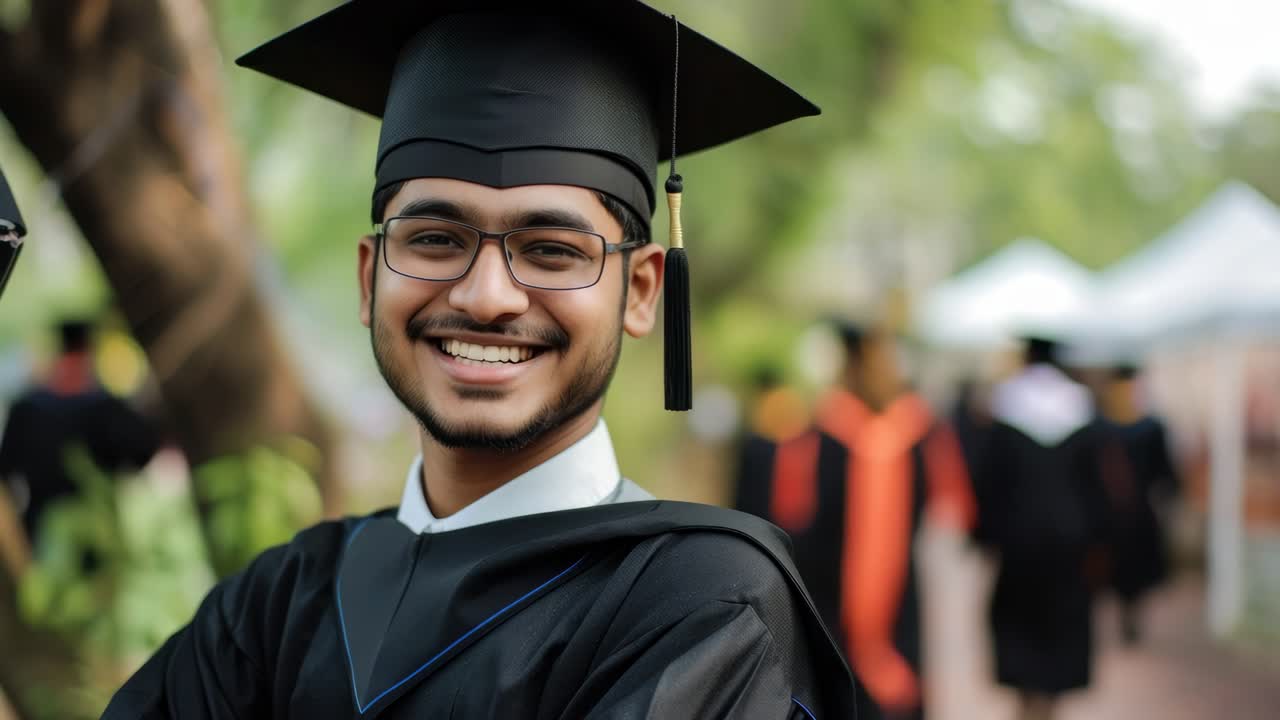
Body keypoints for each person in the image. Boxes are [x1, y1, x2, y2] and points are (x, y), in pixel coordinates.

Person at [104, 2, 855, 718]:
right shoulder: (276, 606)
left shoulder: (704, 606)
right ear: (371, 277)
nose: (487, 295)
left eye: (553, 251)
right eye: (435, 239)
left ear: (641, 291)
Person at [764, 322, 975, 720]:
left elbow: (795, 513)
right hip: (866, 593)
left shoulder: (855, 430)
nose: (891, 369)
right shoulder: (897, 431)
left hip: (865, 594)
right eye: (885, 359)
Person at [974, 337, 1110, 720]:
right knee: (1060, 624)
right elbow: (1096, 484)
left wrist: (985, 536)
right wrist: (1098, 537)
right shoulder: (1081, 409)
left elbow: (990, 483)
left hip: (1019, 540)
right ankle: (1050, 701)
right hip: (1071, 539)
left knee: (1020, 623)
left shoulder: (1007, 410)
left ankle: (1025, 699)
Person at [0, 319, 161, 545]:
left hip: (45, 526)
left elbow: (6, 468)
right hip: (93, 526)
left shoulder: (27, 409)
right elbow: (143, 451)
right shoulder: (106, 408)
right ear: (88, 354)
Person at [1096, 363, 1181, 645]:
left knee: (1125, 567)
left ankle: (1128, 610)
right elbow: (1166, 473)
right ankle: (1129, 610)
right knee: (1130, 567)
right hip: (1136, 510)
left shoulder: (1104, 424)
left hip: (1119, 511)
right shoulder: (1149, 425)